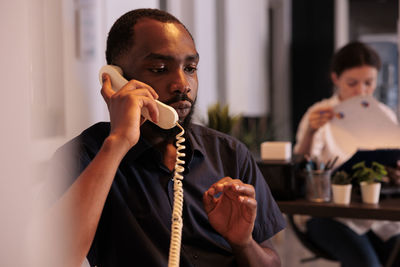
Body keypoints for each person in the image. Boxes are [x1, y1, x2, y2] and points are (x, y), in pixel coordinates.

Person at [45, 8, 285, 267]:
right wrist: (118, 143)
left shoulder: (230, 153)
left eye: (191, 68)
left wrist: (243, 242)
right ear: (116, 80)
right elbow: (51, 258)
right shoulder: (84, 156)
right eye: (160, 69)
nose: (183, 84)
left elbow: (271, 262)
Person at [294, 41, 400, 267]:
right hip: (329, 215)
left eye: (369, 83)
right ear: (335, 79)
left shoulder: (385, 116)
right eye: (352, 83)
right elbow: (299, 166)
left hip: (377, 214)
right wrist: (311, 132)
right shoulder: (318, 115)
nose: (361, 91)